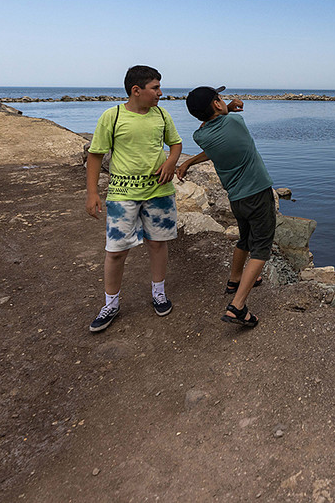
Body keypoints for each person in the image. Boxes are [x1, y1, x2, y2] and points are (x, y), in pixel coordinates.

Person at [85, 65, 183, 333]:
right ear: (136, 90)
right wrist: (92, 192)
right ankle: (111, 304)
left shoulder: (161, 115)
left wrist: (171, 163)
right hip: (122, 195)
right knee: (116, 252)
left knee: (158, 244)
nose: (160, 93)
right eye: (155, 88)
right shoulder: (112, 116)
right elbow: (95, 154)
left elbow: (175, 144)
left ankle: (158, 292)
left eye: (159, 87)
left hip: (159, 193)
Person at [176, 85, 273, 328]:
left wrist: (188, 161)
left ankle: (234, 279)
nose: (224, 100)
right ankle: (237, 307)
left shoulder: (200, 136)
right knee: (261, 248)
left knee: (245, 238)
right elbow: (227, 120)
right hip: (258, 194)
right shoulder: (236, 123)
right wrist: (229, 108)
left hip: (237, 198)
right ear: (217, 104)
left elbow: (212, 149)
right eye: (219, 98)